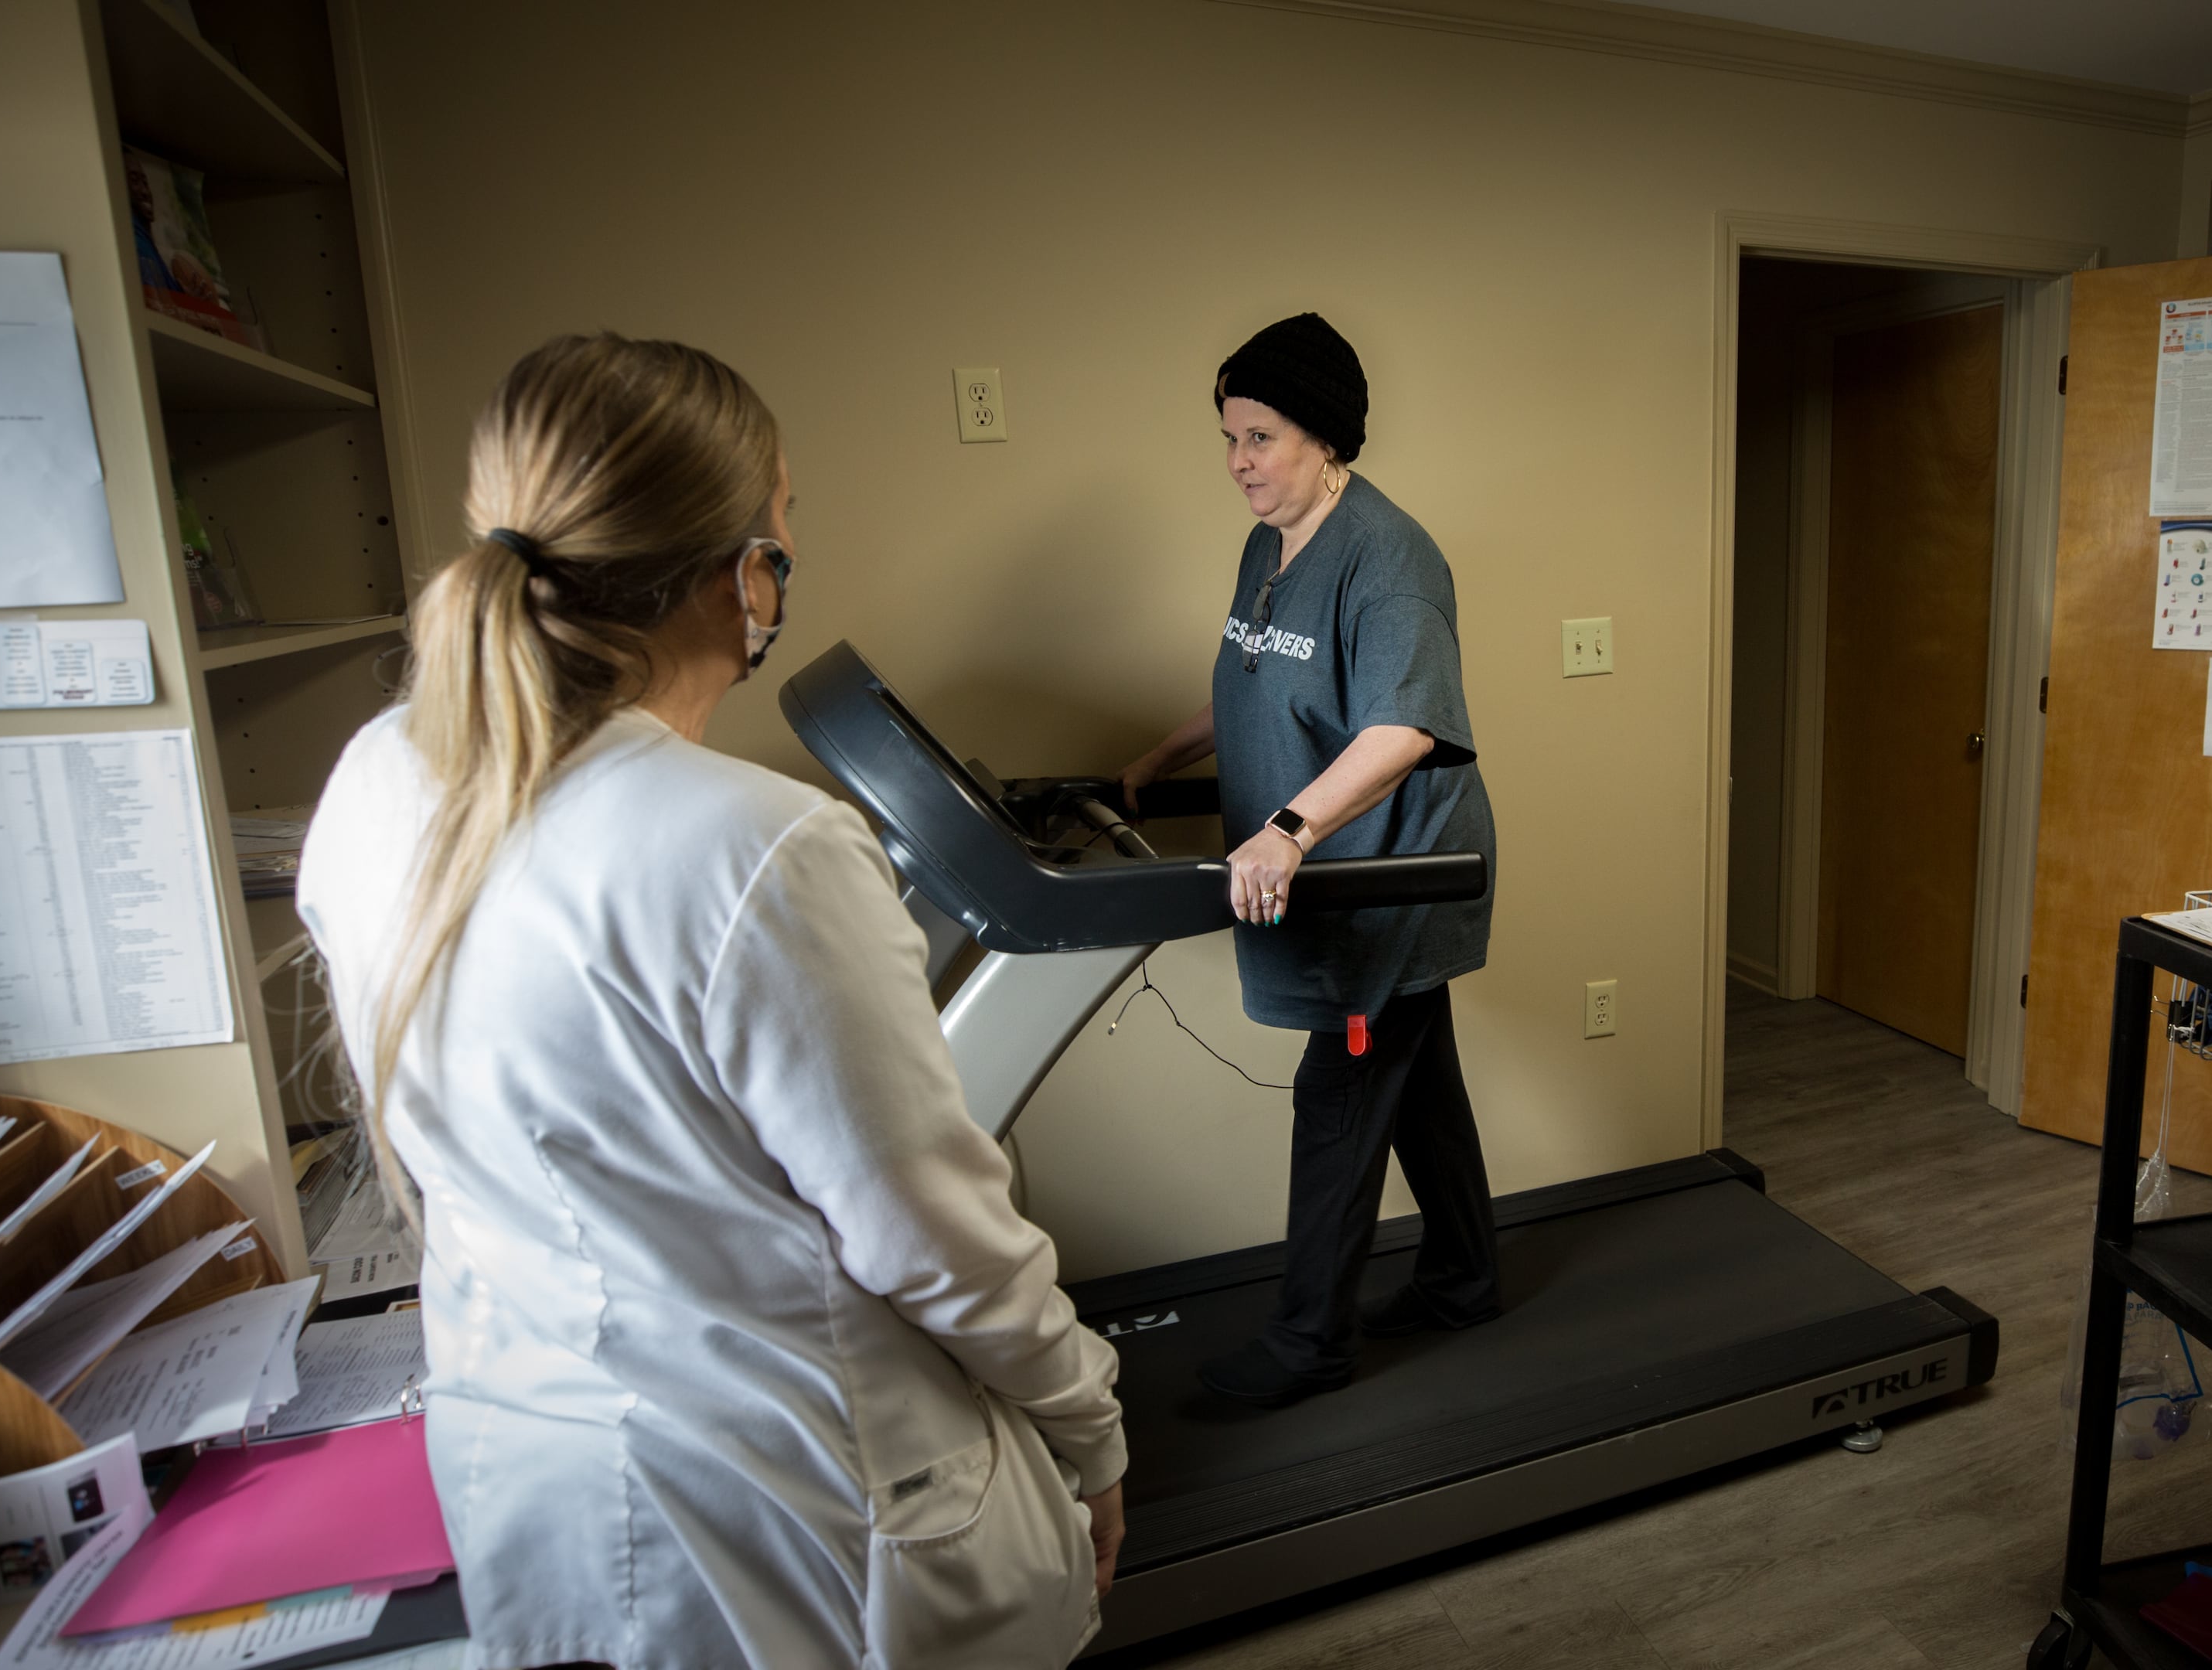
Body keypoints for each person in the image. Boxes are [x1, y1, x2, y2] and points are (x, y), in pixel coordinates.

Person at [297, 334, 1126, 1668]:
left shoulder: (373, 777)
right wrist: (1091, 1427)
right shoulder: (762, 845)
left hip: (535, 1490)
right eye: (781, 533)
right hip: (790, 1523)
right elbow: (935, 1237)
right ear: (746, 578)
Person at [1117, 313, 1501, 1408]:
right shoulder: (1267, 545)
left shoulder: (1392, 559)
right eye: (1230, 438)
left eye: (1263, 438)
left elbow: (1403, 729)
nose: (1240, 463)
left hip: (1391, 876)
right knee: (1416, 1086)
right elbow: (1263, 675)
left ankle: (1308, 1345)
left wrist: (1286, 833)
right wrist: (1161, 756)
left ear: (1326, 439)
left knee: (1342, 1090)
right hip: (1336, 871)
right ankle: (1465, 1281)